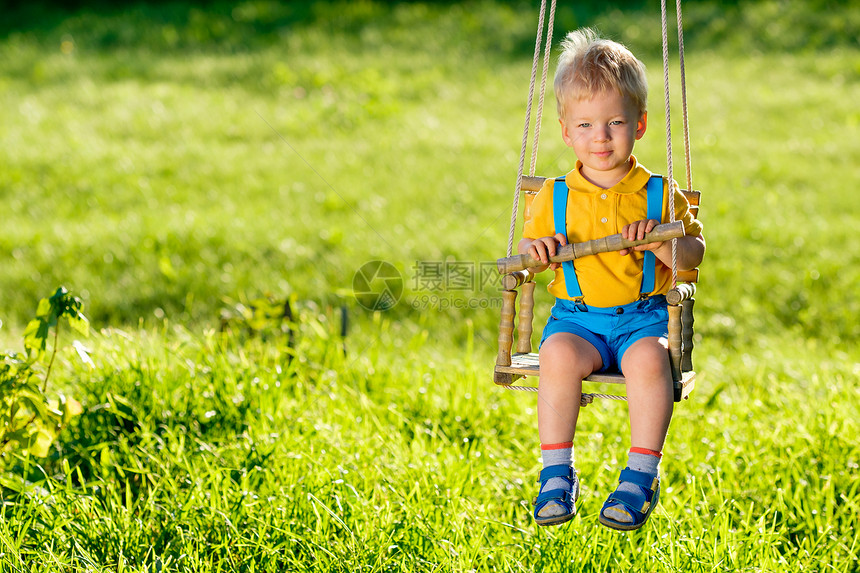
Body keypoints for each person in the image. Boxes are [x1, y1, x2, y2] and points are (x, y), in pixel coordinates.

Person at [519, 28, 705, 530]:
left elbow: (694, 253)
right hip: (577, 321)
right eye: (585, 124)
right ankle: (556, 472)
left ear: (640, 125)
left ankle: (640, 475)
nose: (599, 137)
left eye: (615, 122)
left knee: (650, 361)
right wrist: (535, 253)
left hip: (642, 318)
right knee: (556, 355)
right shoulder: (555, 197)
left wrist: (666, 245)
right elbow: (528, 256)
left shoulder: (660, 194)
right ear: (566, 132)